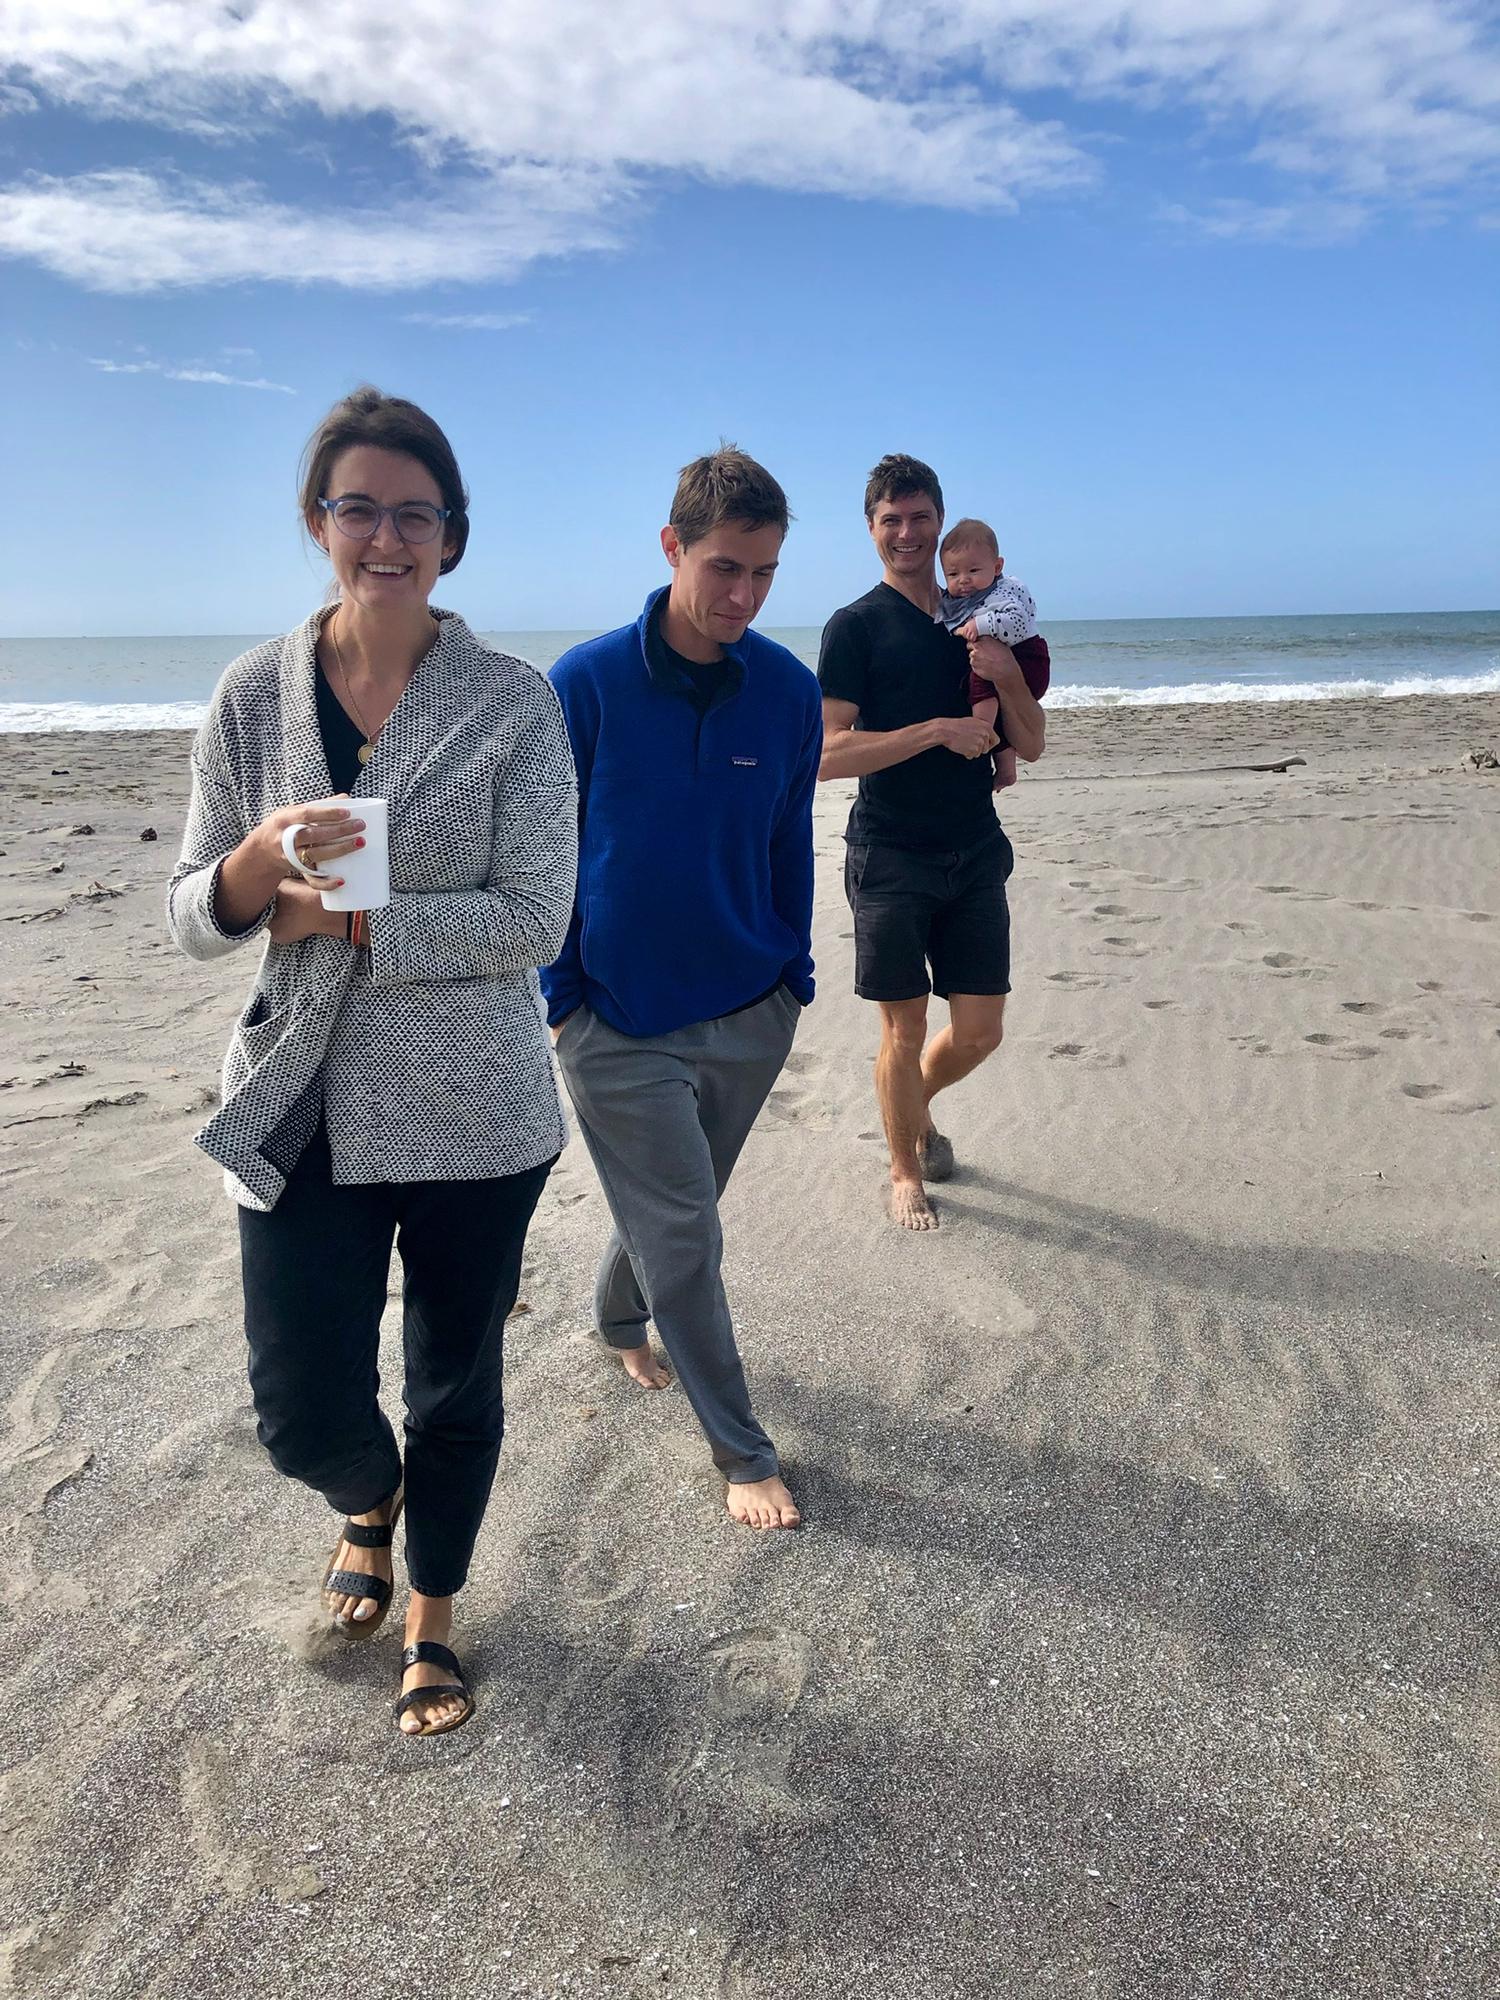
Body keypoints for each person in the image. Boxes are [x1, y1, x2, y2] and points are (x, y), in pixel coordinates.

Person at [167, 387, 577, 1736]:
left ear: (452, 537)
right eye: (361, 507)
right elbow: (191, 916)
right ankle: (364, 1494)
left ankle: (436, 1612)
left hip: (477, 1107)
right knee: (299, 1406)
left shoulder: (514, 706)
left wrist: (347, 915)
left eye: (416, 512)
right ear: (317, 522)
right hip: (304, 1106)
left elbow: (537, 918)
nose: (386, 534)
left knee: (456, 1382)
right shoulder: (251, 697)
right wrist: (248, 866)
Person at [541, 446, 819, 1533]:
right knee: (691, 1234)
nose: (743, 595)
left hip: (751, 1005)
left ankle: (618, 1313)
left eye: (763, 573)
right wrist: (564, 991)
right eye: (723, 568)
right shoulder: (586, 682)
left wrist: (790, 973)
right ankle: (740, 1449)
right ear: (672, 549)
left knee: (679, 1204)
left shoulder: (788, 691)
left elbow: (788, 839)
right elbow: (541, 851)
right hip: (616, 1014)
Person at [817, 453, 1046, 1231]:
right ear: (872, 528)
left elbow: (1034, 743)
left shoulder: (980, 616)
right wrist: (934, 731)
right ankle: (905, 1167)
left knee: (981, 1030)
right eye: (892, 521)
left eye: (920, 518)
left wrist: (1007, 680)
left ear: (940, 522)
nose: (907, 534)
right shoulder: (854, 627)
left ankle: (908, 1103)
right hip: (890, 853)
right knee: (902, 1028)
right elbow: (824, 753)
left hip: (975, 848)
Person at [937, 518, 1052, 796]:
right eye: (952, 575)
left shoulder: (1001, 592)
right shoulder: (954, 604)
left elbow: (1018, 621)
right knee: (990, 700)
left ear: (997, 567)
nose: (963, 580)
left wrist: (980, 628)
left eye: (973, 570)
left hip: (1026, 658)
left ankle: (981, 730)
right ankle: (1006, 768)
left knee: (980, 683)